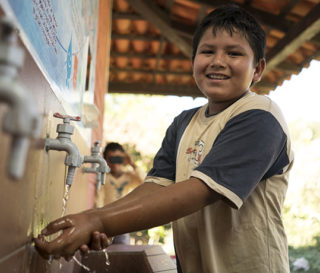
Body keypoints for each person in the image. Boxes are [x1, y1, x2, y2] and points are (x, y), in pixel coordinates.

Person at [34, 4, 294, 272]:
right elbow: (155, 187)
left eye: (234, 53)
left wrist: (100, 222)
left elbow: (200, 191)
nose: (218, 61)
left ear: (258, 69)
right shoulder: (183, 123)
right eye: (207, 51)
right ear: (194, 60)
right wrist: (96, 218)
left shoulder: (260, 116)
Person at [95, 142, 143, 244]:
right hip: (106, 221)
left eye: (118, 159)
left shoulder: (129, 177)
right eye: (111, 159)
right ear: (106, 160)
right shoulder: (104, 177)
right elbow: (98, 199)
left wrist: (132, 164)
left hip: (123, 222)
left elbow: (144, 181)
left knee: (123, 249)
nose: (115, 163)